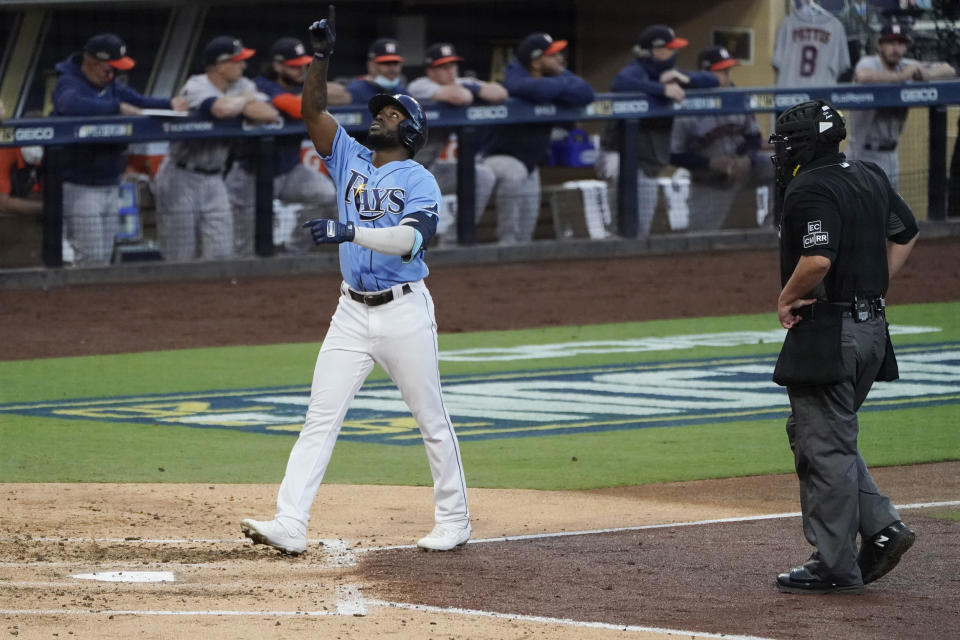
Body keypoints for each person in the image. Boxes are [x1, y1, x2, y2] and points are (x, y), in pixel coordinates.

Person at [240, 7, 471, 554]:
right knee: (320, 417)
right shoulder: (348, 157)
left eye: (391, 114)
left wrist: (351, 231)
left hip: (404, 311)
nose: (380, 117)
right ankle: (290, 523)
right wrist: (319, 58)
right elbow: (313, 108)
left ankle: (454, 519)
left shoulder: (420, 181)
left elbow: (409, 240)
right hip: (350, 310)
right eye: (380, 112)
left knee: (430, 418)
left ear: (410, 130)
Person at [769, 99, 918, 594]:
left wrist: (789, 298)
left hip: (831, 332)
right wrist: (873, 288)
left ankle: (833, 564)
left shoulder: (809, 186)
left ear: (806, 144)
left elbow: (816, 259)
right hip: (871, 330)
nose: (782, 151)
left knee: (825, 445)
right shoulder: (868, 173)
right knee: (820, 432)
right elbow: (906, 232)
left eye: (788, 142)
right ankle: (882, 527)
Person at [52, 33, 188, 265]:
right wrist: (117, 108)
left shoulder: (110, 83)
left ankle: (95, 301)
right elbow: (69, 104)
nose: (114, 73)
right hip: (80, 186)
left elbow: (140, 101)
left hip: (110, 182)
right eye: (110, 68)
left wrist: (169, 103)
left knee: (103, 256)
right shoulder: (69, 82)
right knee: (90, 256)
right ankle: (80, 301)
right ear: (94, 63)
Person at [154, 36, 280, 262]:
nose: (243, 65)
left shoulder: (243, 84)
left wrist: (239, 102)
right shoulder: (196, 85)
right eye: (237, 61)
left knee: (222, 253)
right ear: (221, 66)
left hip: (215, 178)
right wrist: (244, 102)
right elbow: (220, 110)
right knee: (179, 255)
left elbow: (268, 114)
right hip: (181, 175)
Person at [596, 25, 718, 237]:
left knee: (640, 229)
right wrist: (661, 90)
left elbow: (713, 80)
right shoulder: (637, 70)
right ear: (656, 51)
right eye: (670, 48)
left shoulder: (670, 73)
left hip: (649, 161)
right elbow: (620, 82)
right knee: (622, 229)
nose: (675, 53)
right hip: (620, 156)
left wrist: (685, 79)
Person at [224, 36, 339, 256]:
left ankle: (293, 250)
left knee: (326, 195)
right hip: (250, 176)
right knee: (245, 245)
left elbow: (342, 95)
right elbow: (297, 109)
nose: (301, 70)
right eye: (294, 66)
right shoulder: (260, 85)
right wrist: (307, 97)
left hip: (290, 171)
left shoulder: (302, 84)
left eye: (304, 65)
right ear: (278, 65)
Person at [479, 32, 594, 244]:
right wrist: (563, 85)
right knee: (515, 174)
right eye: (551, 55)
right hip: (498, 156)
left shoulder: (553, 74)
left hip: (531, 161)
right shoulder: (513, 74)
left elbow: (587, 92)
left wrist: (558, 82)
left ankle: (520, 253)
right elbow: (534, 89)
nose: (559, 58)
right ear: (536, 61)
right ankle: (505, 244)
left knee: (528, 222)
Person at [407, 42, 507, 245]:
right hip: (400, 172)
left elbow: (500, 93)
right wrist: (471, 88)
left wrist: (469, 85)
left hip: (430, 170)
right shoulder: (420, 85)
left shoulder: (459, 81)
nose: (450, 71)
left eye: (452, 65)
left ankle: (451, 242)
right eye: (443, 67)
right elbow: (459, 97)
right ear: (430, 71)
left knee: (483, 176)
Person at [669, 46, 773, 230]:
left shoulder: (738, 97)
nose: (727, 76)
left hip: (745, 169)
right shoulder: (685, 105)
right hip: (710, 181)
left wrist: (747, 158)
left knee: (787, 166)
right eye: (721, 71)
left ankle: (774, 228)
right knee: (699, 242)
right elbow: (674, 154)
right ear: (705, 74)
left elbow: (753, 135)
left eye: (728, 70)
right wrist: (710, 163)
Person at [847, 23, 956, 189]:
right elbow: (863, 76)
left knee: (891, 211)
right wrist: (904, 75)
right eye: (890, 43)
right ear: (880, 45)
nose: (895, 48)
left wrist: (928, 75)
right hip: (864, 153)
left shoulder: (905, 64)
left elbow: (949, 69)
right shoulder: (869, 63)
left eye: (900, 43)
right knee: (865, 210)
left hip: (891, 154)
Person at [773, 0, 851, 88]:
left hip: (792, 94)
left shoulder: (787, 24)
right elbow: (841, 67)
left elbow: (777, 62)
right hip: (821, 95)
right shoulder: (836, 27)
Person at [345, 38, 409, 104]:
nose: (392, 68)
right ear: (370, 65)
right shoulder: (355, 91)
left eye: (395, 63)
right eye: (385, 63)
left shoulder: (402, 92)